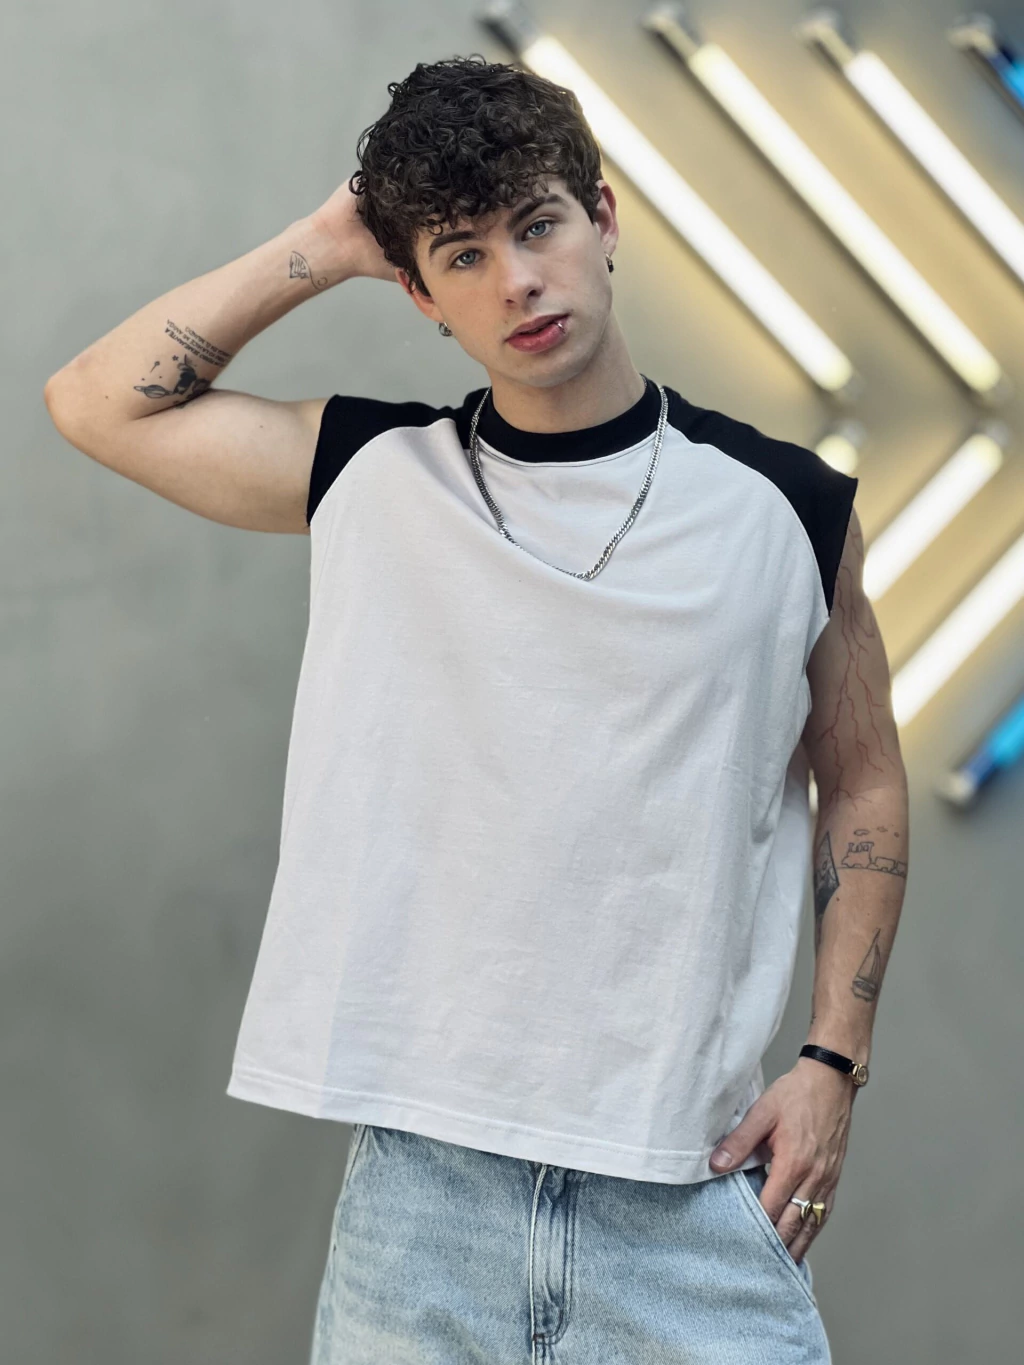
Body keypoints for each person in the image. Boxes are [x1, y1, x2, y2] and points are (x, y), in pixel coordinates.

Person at [43, 51, 909, 1365]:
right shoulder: (376, 474)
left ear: (603, 219)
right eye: (461, 256)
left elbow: (864, 780)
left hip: (688, 1195)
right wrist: (327, 241)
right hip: (424, 1205)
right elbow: (95, 402)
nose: (516, 281)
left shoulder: (787, 507)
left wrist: (833, 1063)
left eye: (538, 226)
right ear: (418, 295)